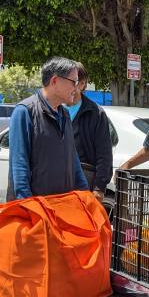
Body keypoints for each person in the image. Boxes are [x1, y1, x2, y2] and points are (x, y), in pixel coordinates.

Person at [7, 56, 89, 200]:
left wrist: (85, 195)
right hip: (36, 213)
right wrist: (30, 209)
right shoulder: (25, 112)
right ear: (55, 81)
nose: (76, 88)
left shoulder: (64, 114)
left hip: (62, 208)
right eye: (73, 82)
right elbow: (19, 168)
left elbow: (73, 160)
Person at [64, 61, 113, 203]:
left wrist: (99, 188)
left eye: (74, 81)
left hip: (84, 182)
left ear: (83, 84)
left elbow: (104, 154)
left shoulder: (95, 113)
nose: (69, 86)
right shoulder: (53, 108)